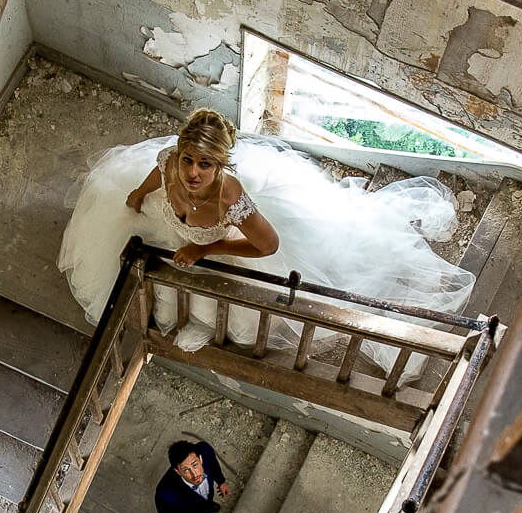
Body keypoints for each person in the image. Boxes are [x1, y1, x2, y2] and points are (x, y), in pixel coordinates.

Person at [57, 107, 473, 356]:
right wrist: (137, 194)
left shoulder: (230, 199)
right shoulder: (170, 163)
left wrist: (207, 249)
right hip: (168, 230)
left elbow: (268, 244)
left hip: (219, 247)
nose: (192, 173)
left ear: (221, 166)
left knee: (215, 310)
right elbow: (157, 172)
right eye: (188, 161)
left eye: (205, 165)